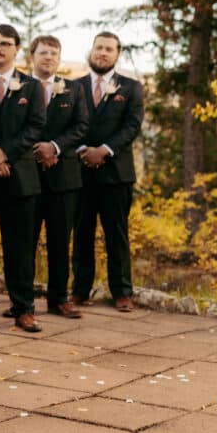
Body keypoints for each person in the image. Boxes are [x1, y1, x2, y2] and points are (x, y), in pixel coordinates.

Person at [0, 25, 46, 333]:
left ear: (17, 48)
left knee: (19, 250)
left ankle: (24, 309)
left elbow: (36, 127)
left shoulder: (31, 87)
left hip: (20, 179)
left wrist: (5, 153)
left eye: (5, 43)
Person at [70, 32, 144, 312]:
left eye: (108, 49)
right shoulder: (73, 86)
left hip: (116, 174)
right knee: (82, 232)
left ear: (117, 54)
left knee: (117, 233)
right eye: (98, 47)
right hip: (80, 172)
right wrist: (82, 151)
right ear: (91, 50)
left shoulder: (131, 88)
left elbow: (131, 127)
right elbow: (68, 123)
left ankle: (122, 292)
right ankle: (79, 290)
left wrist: (103, 150)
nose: (102, 53)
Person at [29, 35, 89, 319]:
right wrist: (36, 150)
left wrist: (54, 147)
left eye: (54, 53)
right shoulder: (22, 86)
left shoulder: (73, 89)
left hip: (63, 177)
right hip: (26, 176)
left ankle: (59, 299)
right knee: (23, 241)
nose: (49, 57)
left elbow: (81, 126)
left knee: (59, 240)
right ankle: (22, 302)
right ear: (32, 56)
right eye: (43, 52)